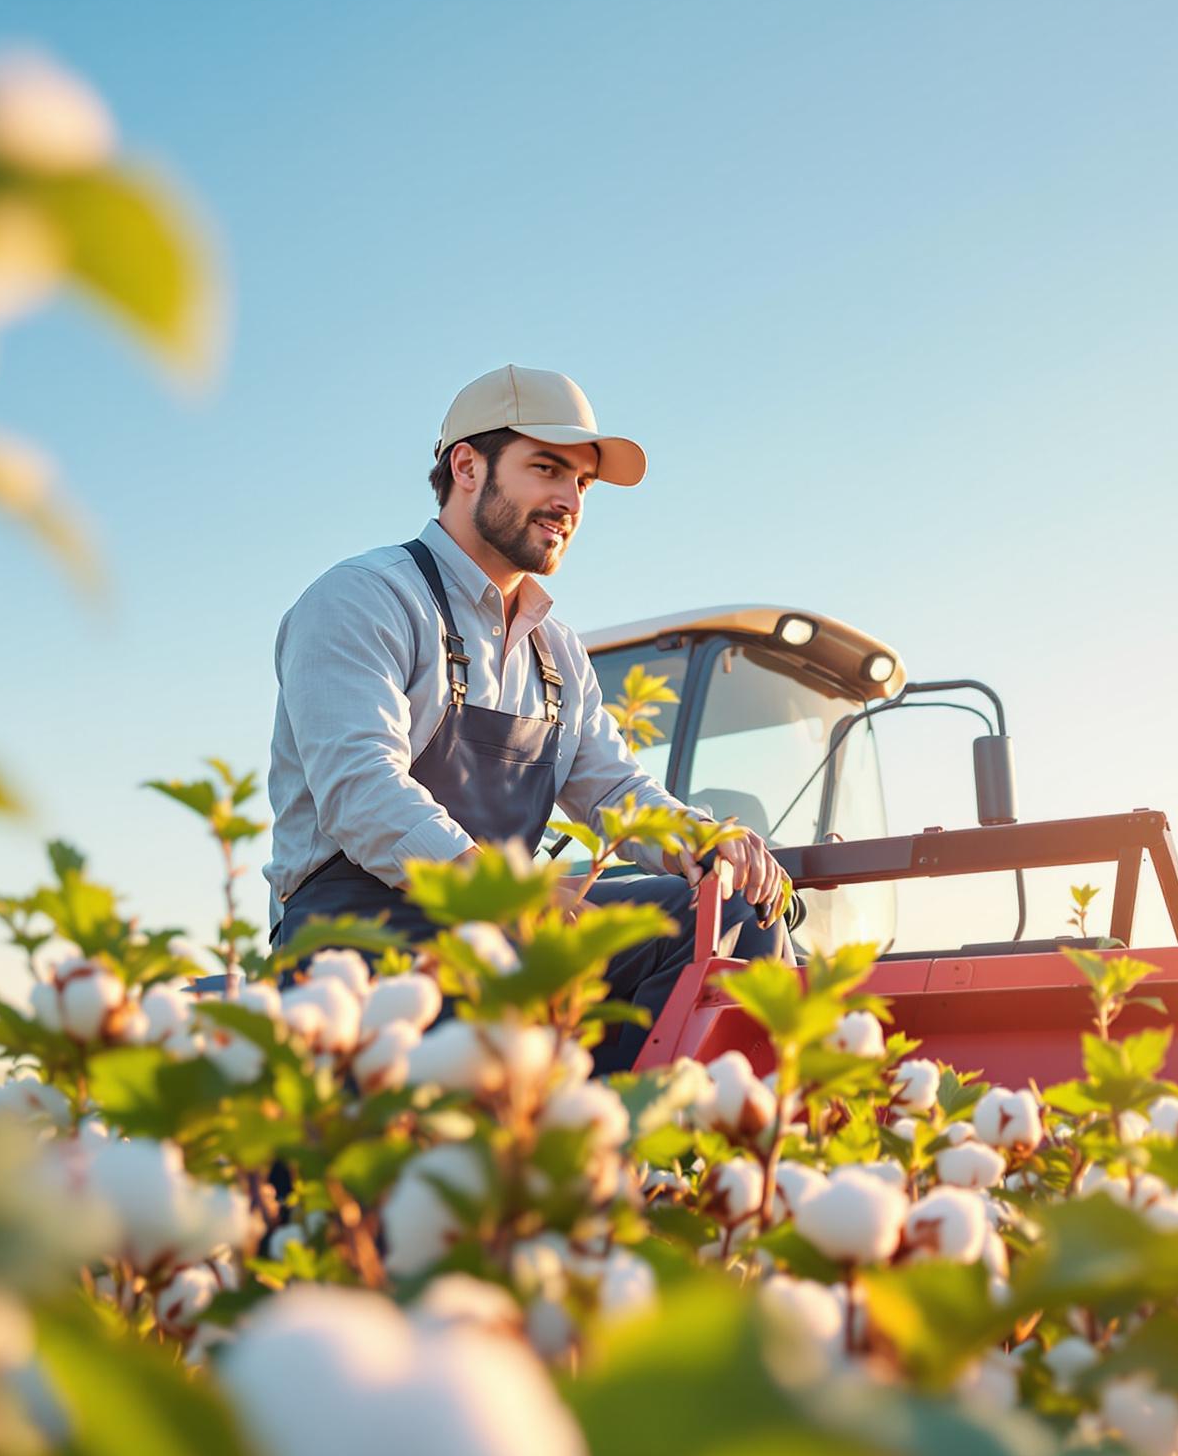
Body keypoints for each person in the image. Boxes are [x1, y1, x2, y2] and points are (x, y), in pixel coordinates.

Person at [263, 365, 789, 1072]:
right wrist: (517, 900)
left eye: (582, 482)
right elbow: (363, 794)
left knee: (730, 917)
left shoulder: (557, 652)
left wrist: (709, 844)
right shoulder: (363, 599)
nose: (568, 499)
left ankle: (630, 1148)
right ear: (468, 466)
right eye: (547, 469)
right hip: (367, 941)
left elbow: (614, 792)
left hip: (507, 933)